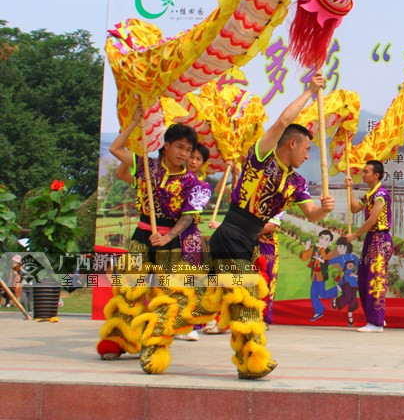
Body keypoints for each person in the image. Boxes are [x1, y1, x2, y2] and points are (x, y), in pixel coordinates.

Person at [207, 71, 334, 378]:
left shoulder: (297, 182)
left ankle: (248, 362)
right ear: (291, 143)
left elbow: (311, 213)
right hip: (231, 233)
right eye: (306, 149)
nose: (307, 155)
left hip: (248, 242)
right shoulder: (261, 157)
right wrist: (309, 90)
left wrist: (323, 210)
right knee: (242, 301)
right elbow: (279, 122)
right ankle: (251, 361)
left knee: (239, 303)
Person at [97, 111, 211, 368]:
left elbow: (188, 217)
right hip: (141, 236)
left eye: (189, 149)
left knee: (166, 296)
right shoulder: (147, 167)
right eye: (179, 147)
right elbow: (116, 148)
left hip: (170, 241)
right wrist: (134, 122)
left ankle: (154, 342)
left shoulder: (196, 183)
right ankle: (117, 340)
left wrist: (168, 235)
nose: (184, 154)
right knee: (128, 290)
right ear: (167, 145)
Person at [344, 160, 392, 333]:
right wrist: (350, 190)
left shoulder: (380, 194)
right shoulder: (370, 193)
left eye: (366, 171)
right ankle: (374, 318)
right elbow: (355, 208)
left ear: (376, 175)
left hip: (380, 239)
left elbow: (372, 220)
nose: (363, 174)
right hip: (372, 239)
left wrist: (355, 235)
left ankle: (377, 322)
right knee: (365, 279)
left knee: (375, 279)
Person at [174, 144, 213, 341]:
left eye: (199, 159)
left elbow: (189, 215)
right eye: (191, 156)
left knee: (190, 278)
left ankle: (189, 323)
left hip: (188, 236)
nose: (193, 161)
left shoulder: (201, 186)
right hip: (165, 231)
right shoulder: (170, 179)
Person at [301, 229, 339, 321]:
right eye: (321, 238)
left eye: (326, 239)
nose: (323, 241)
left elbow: (326, 259)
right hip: (314, 275)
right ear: (319, 238)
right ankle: (319, 311)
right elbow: (304, 258)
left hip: (321, 275)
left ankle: (335, 290)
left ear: (329, 242)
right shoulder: (314, 249)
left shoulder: (329, 251)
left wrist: (321, 249)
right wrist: (307, 248)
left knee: (322, 294)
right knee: (313, 294)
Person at [329, 237, 359, 326]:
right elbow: (328, 262)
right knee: (348, 297)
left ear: (346, 247)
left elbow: (359, 268)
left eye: (340, 246)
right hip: (346, 281)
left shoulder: (354, 257)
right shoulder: (340, 258)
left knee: (353, 300)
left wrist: (357, 275)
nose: (338, 249)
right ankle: (336, 300)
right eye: (338, 247)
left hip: (354, 282)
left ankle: (350, 317)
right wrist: (321, 260)